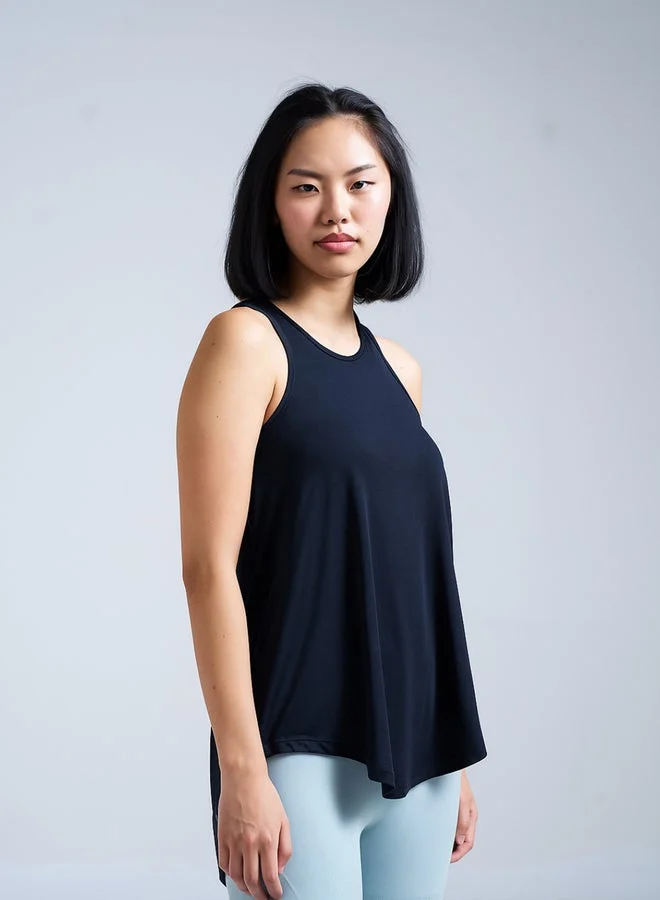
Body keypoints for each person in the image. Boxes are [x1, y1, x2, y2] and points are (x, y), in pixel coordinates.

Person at [176, 82, 487, 900]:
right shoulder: (245, 343)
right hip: (294, 753)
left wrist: (451, 758)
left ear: (390, 199)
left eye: (360, 183)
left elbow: (411, 577)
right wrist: (243, 771)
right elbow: (208, 569)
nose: (336, 210)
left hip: (418, 758)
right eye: (307, 186)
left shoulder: (401, 372)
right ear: (271, 204)